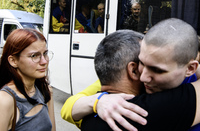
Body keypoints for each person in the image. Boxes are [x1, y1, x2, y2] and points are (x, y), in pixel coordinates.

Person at [61, 18, 200, 131]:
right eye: (142, 63)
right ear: (132, 69)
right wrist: (98, 101)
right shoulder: (116, 97)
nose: (143, 76)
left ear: (191, 68)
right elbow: (68, 107)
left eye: (157, 70)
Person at [0, 28, 56, 131]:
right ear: (13, 61)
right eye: (34, 55)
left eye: (45, 53)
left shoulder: (46, 90)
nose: (44, 61)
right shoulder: (5, 100)